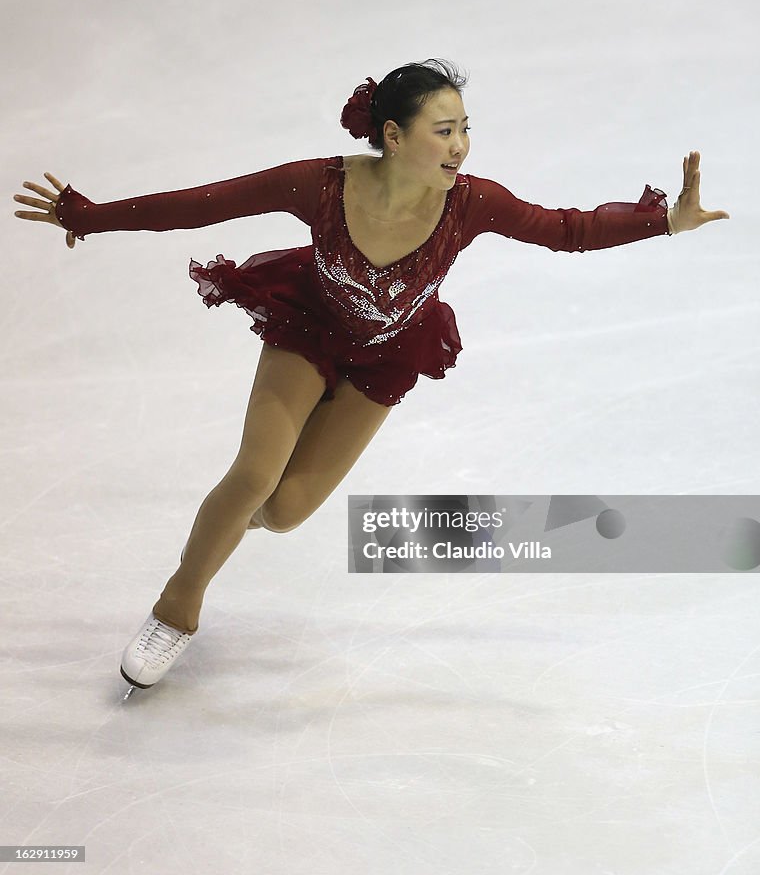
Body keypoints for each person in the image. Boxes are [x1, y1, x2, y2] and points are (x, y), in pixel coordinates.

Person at [13, 59, 729, 693]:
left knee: (283, 512)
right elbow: (205, 203)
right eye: (444, 130)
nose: (461, 146)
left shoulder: (471, 202)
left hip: (387, 354)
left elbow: (564, 228)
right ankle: (179, 602)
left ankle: (230, 532)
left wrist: (665, 219)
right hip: (310, 330)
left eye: (465, 129)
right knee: (254, 475)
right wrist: (90, 216)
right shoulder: (319, 186)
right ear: (392, 135)